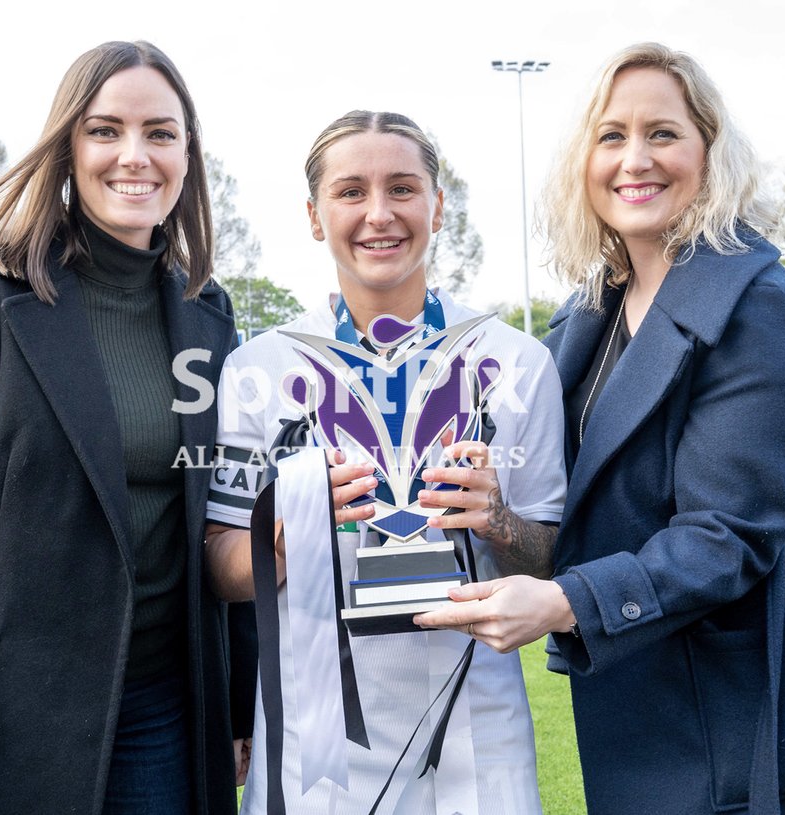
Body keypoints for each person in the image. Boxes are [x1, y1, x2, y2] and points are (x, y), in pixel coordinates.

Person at [416, 42, 785, 814]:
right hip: (647, 711)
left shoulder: (759, 308)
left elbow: (727, 535)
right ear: (585, 163)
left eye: (662, 133)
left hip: (756, 725)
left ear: (709, 150)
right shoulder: (586, 315)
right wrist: (497, 512)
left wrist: (563, 601)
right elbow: (585, 523)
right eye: (612, 136)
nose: (635, 159)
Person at [0, 40, 251, 815]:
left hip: (162, 712)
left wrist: (236, 702)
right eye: (105, 131)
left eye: (161, 133)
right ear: (67, 146)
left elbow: (222, 513)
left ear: (188, 154)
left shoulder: (208, 314)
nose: (135, 155)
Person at [203, 110, 567, 814]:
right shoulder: (258, 367)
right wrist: (278, 532)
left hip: (476, 733)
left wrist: (499, 521)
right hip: (314, 746)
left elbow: (550, 561)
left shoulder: (519, 361)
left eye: (403, 188)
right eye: (350, 191)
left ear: (438, 205)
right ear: (314, 215)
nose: (379, 213)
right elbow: (219, 568)